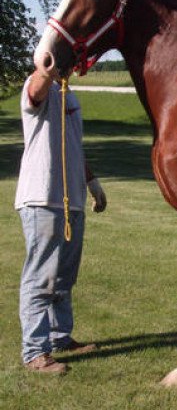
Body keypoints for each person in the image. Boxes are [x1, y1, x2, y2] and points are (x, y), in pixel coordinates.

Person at [15, 70, 107, 374]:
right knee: (41, 278)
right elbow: (37, 88)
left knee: (64, 278)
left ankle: (59, 337)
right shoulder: (37, 84)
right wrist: (49, 61)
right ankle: (34, 351)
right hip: (43, 197)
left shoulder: (69, 93)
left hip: (72, 200)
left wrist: (92, 183)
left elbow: (73, 147)